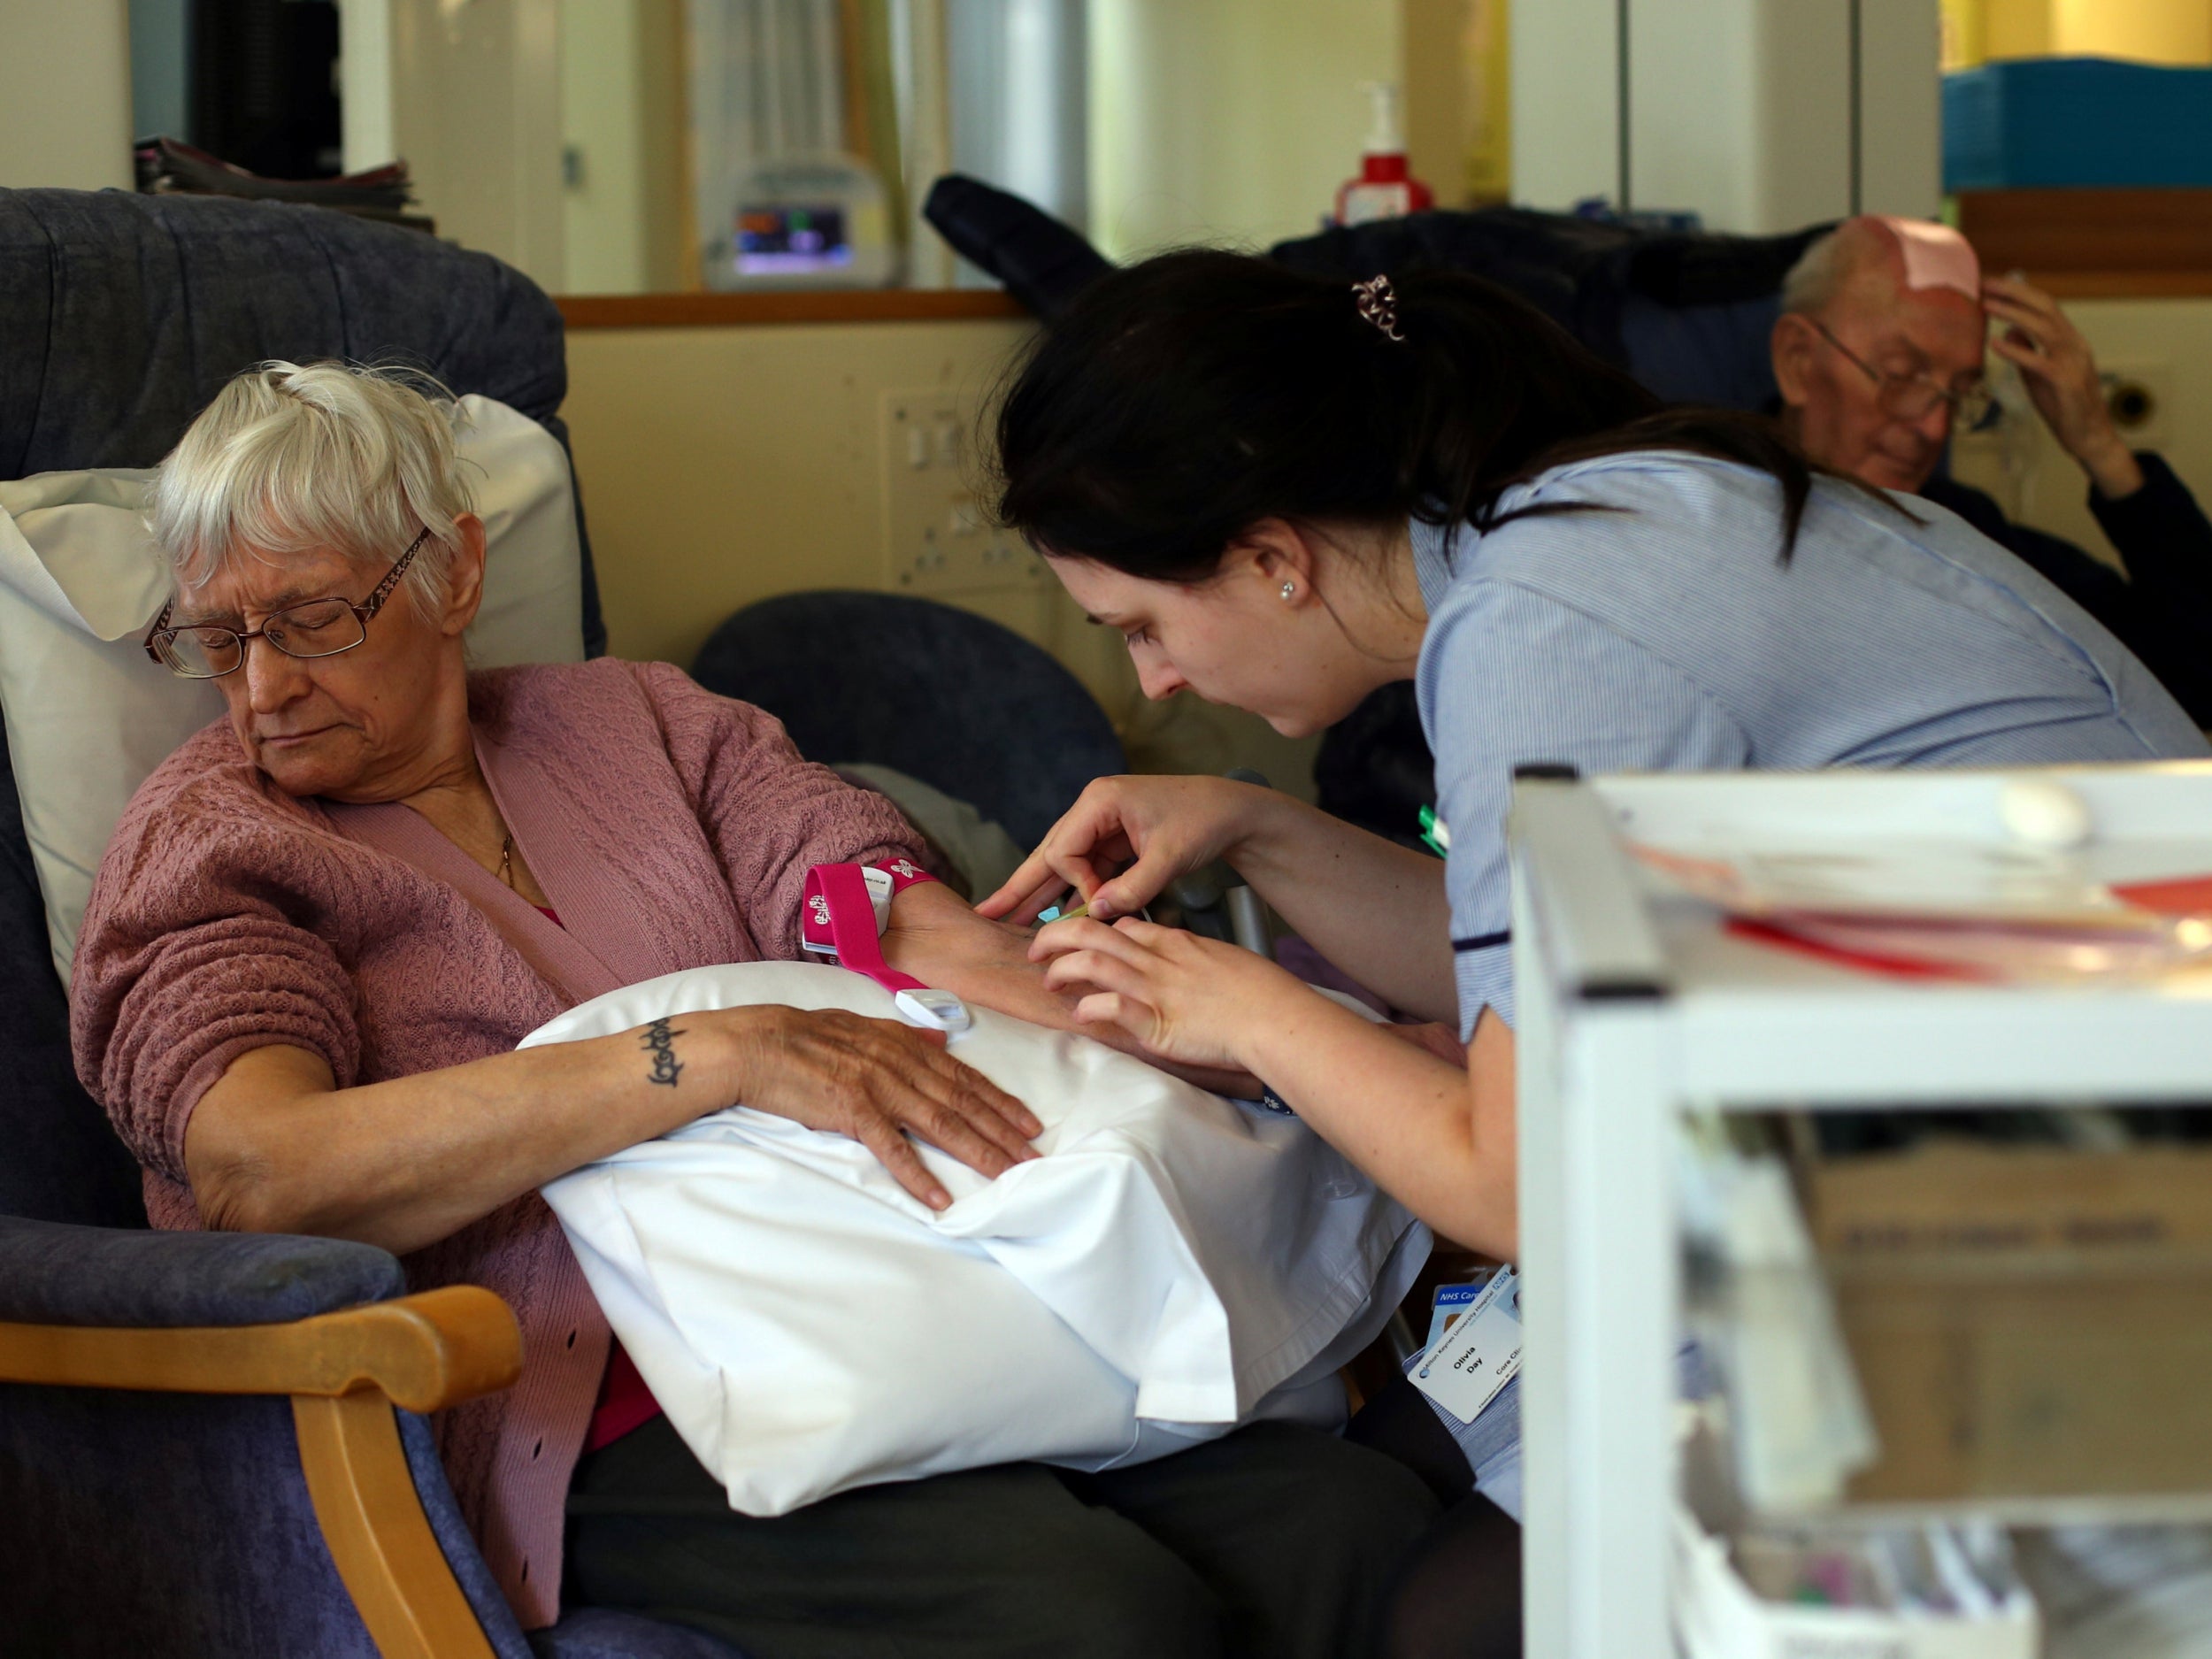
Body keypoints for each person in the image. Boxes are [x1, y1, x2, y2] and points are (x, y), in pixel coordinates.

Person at [69, 361, 1438, 1659]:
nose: (263, 684)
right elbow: (263, 1174)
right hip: (584, 1399)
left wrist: (1302, 1052)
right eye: (217, 635)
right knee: (1089, 1612)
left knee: (1352, 1529)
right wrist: (719, 1053)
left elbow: (885, 913)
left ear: (455, 569)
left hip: (906, 1299)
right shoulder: (214, 842)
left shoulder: (632, 724)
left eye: (312, 618)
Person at [973, 251, 2211, 1658]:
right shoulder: (1616, 508)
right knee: (1392, 1466)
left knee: (1452, 1614)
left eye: (1144, 625)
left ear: (1273, 557)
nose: (1156, 682)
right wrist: (1261, 830)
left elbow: (1523, 1174)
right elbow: (1571, 988)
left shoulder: (1544, 619)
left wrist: (1244, 1005)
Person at [1772, 214, 2212, 724]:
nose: (1935, 427)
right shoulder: (1707, 511)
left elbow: (2197, 673)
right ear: (1798, 361)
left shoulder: (1964, 531)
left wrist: (2101, 447)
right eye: (1902, 375)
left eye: (1960, 391)